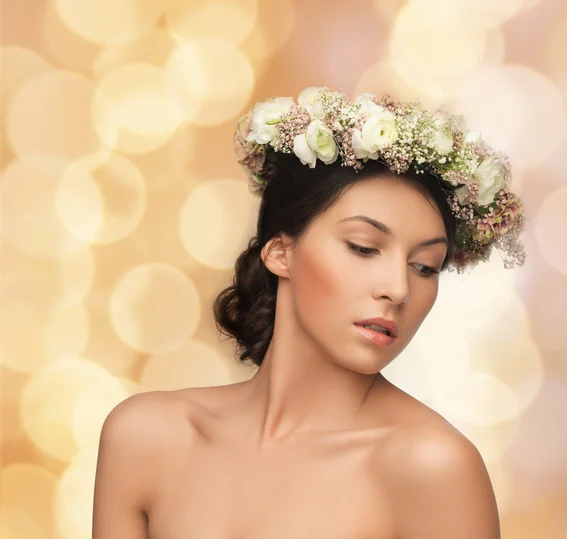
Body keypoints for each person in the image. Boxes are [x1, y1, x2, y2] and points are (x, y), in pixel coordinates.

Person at [91, 87, 526, 538]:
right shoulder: (145, 437)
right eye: (362, 247)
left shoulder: (433, 467)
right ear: (280, 252)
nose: (398, 289)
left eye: (424, 267)